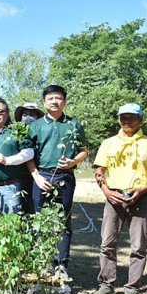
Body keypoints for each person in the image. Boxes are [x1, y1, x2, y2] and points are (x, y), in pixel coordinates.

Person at [91, 103, 147, 294]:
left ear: (141, 119)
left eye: (131, 117)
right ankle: (106, 285)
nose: (126, 121)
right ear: (118, 119)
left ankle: (132, 289)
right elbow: (100, 171)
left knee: (139, 246)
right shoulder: (108, 143)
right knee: (107, 243)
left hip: (139, 198)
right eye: (122, 117)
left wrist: (143, 189)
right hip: (114, 198)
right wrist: (107, 191)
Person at [26, 85, 88, 280]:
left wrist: (73, 161)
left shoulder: (73, 124)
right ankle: (40, 262)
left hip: (65, 177)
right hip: (41, 176)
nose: (54, 101)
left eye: (58, 98)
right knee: (38, 220)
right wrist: (36, 175)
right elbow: (28, 154)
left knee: (62, 222)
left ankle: (60, 264)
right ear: (44, 102)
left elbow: (84, 150)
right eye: (51, 98)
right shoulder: (35, 126)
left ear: (64, 101)